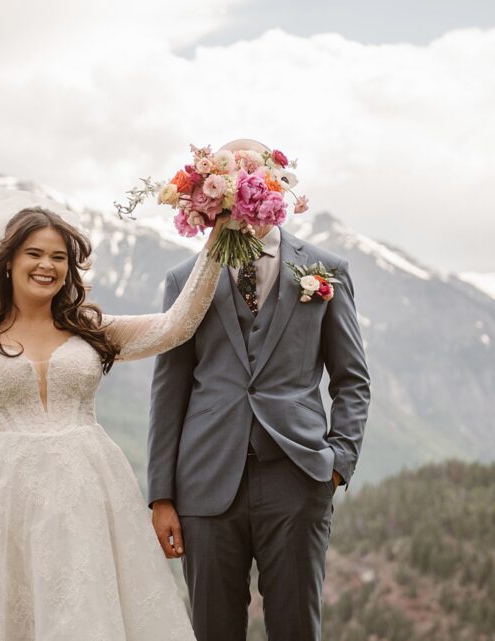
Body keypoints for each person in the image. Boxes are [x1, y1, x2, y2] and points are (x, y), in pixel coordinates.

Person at [0, 191, 227, 639]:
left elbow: (175, 326)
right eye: (34, 253)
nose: (46, 265)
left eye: (58, 257)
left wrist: (220, 236)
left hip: (85, 497)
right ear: (8, 261)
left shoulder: (89, 327)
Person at [147, 139, 372, 641]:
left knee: (296, 628)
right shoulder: (184, 279)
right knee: (212, 630)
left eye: (253, 171)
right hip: (205, 482)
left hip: (299, 476)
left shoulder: (326, 270)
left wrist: (337, 463)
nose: (242, 183)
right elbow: (169, 388)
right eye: (233, 172)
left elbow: (352, 379)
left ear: (276, 182)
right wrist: (161, 495)